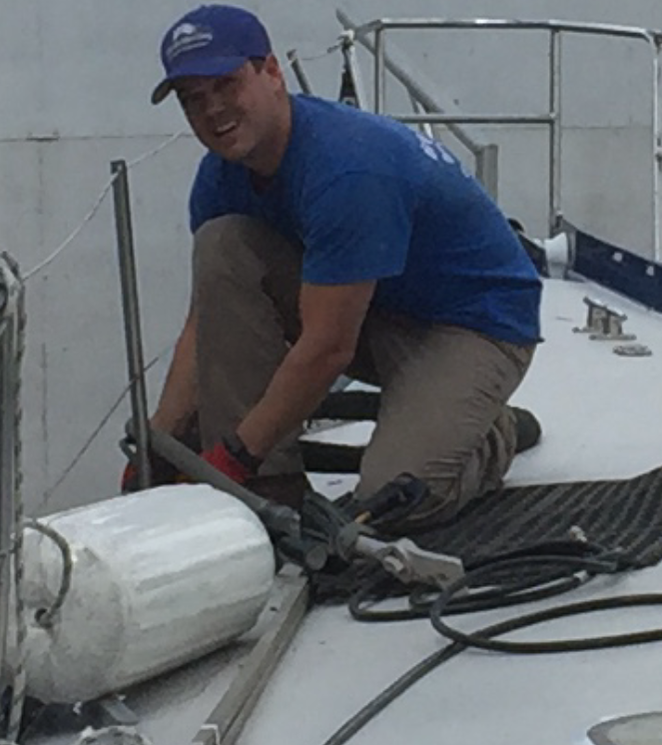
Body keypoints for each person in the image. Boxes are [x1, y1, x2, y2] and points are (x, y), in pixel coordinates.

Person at [130, 3, 543, 529]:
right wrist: (158, 443)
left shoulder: (345, 168)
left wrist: (230, 460)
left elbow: (328, 348)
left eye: (227, 84)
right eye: (193, 99)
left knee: (395, 497)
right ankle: (268, 487)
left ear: (272, 72)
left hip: (474, 326)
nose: (212, 110)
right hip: (378, 306)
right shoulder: (219, 180)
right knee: (222, 245)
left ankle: (489, 435)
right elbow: (204, 322)